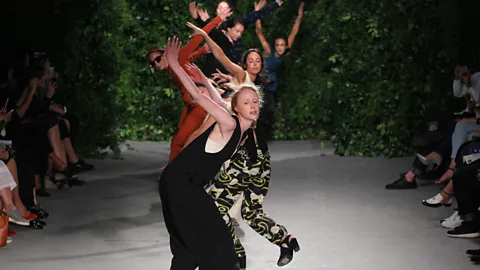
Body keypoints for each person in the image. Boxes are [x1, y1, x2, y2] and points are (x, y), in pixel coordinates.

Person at [158, 36, 262, 270]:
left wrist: (202, 76)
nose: (253, 106)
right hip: (181, 183)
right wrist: (175, 65)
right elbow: (200, 96)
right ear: (236, 107)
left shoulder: (237, 126)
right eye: (247, 103)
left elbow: (216, 97)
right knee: (219, 244)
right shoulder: (229, 123)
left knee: (186, 252)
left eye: (255, 101)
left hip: (179, 182)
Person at [146, 9, 231, 165]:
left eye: (157, 59)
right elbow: (189, 59)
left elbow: (197, 38)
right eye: (153, 63)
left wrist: (218, 19)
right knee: (180, 137)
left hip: (199, 103)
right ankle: (178, 169)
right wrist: (202, 51)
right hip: (191, 104)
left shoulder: (176, 58)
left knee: (180, 140)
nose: (156, 64)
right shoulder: (174, 66)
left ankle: (173, 173)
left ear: (165, 52)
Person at [255, 1, 304, 139]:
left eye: (282, 45)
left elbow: (294, 32)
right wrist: (257, 12)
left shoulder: (285, 53)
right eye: (278, 45)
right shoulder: (268, 51)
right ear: (274, 46)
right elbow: (259, 32)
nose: (280, 47)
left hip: (270, 84)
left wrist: (299, 16)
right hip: (259, 80)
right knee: (259, 108)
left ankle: (263, 133)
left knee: (269, 110)